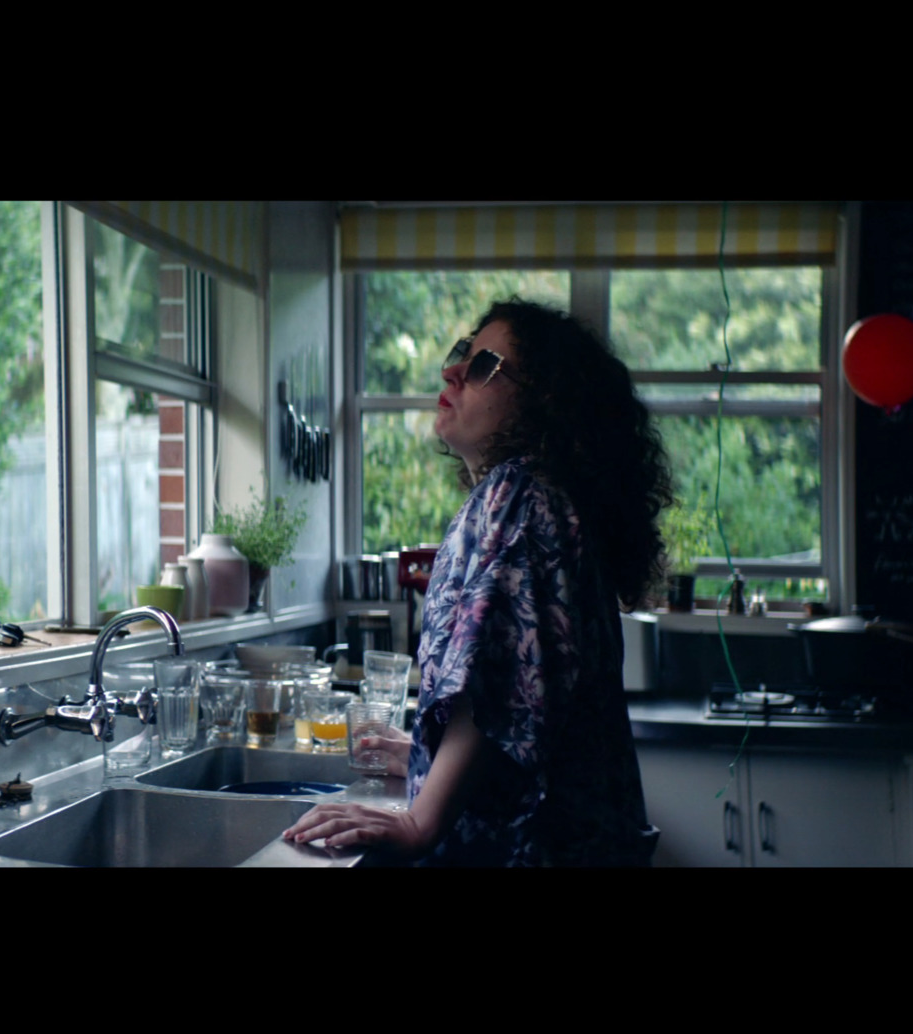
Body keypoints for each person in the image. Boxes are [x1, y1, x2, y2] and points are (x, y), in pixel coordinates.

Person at [283, 299, 672, 866]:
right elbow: (518, 710)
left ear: (544, 402)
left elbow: (498, 680)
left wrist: (420, 820)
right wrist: (423, 756)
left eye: (485, 365)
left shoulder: (519, 497)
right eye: (463, 355)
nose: (453, 371)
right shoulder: (546, 499)